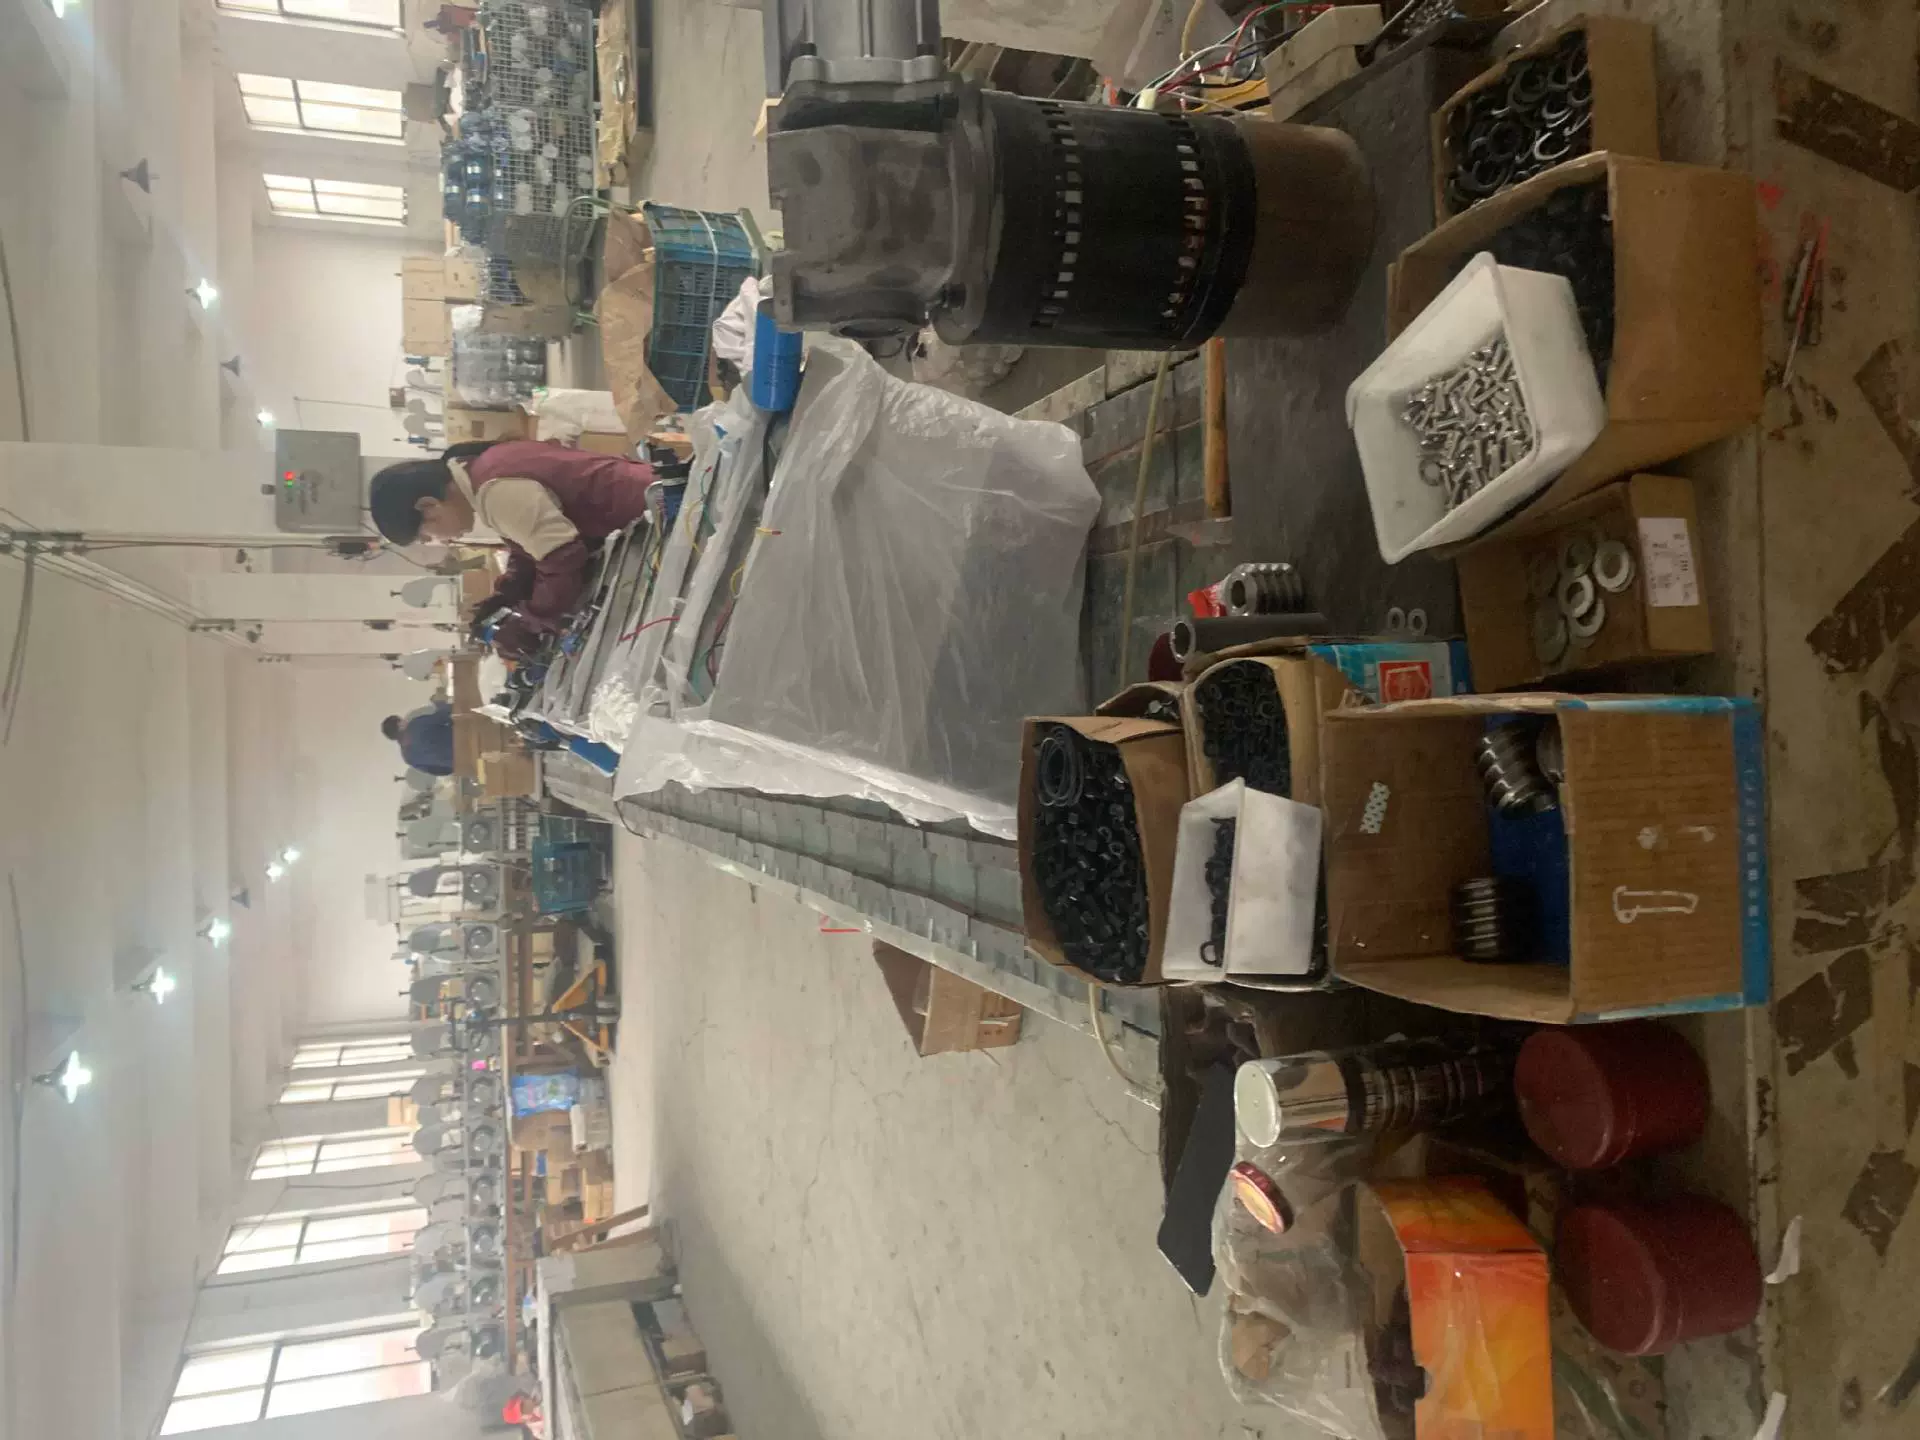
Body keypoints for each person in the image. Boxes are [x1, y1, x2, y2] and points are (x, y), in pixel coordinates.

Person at [369, 439, 655, 658]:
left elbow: (563, 560)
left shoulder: (494, 492)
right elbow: (528, 547)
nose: (441, 542)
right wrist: (508, 594)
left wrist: (530, 621)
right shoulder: (479, 471)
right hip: (644, 503)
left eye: (426, 536)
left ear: (429, 506)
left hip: (654, 511)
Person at [383, 699, 453, 775]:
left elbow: (435, 771)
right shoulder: (415, 725)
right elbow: (441, 717)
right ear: (400, 725)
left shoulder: (407, 757)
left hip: (458, 762)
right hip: (461, 738)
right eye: (402, 720)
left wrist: (454, 766)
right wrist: (445, 705)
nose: (405, 721)